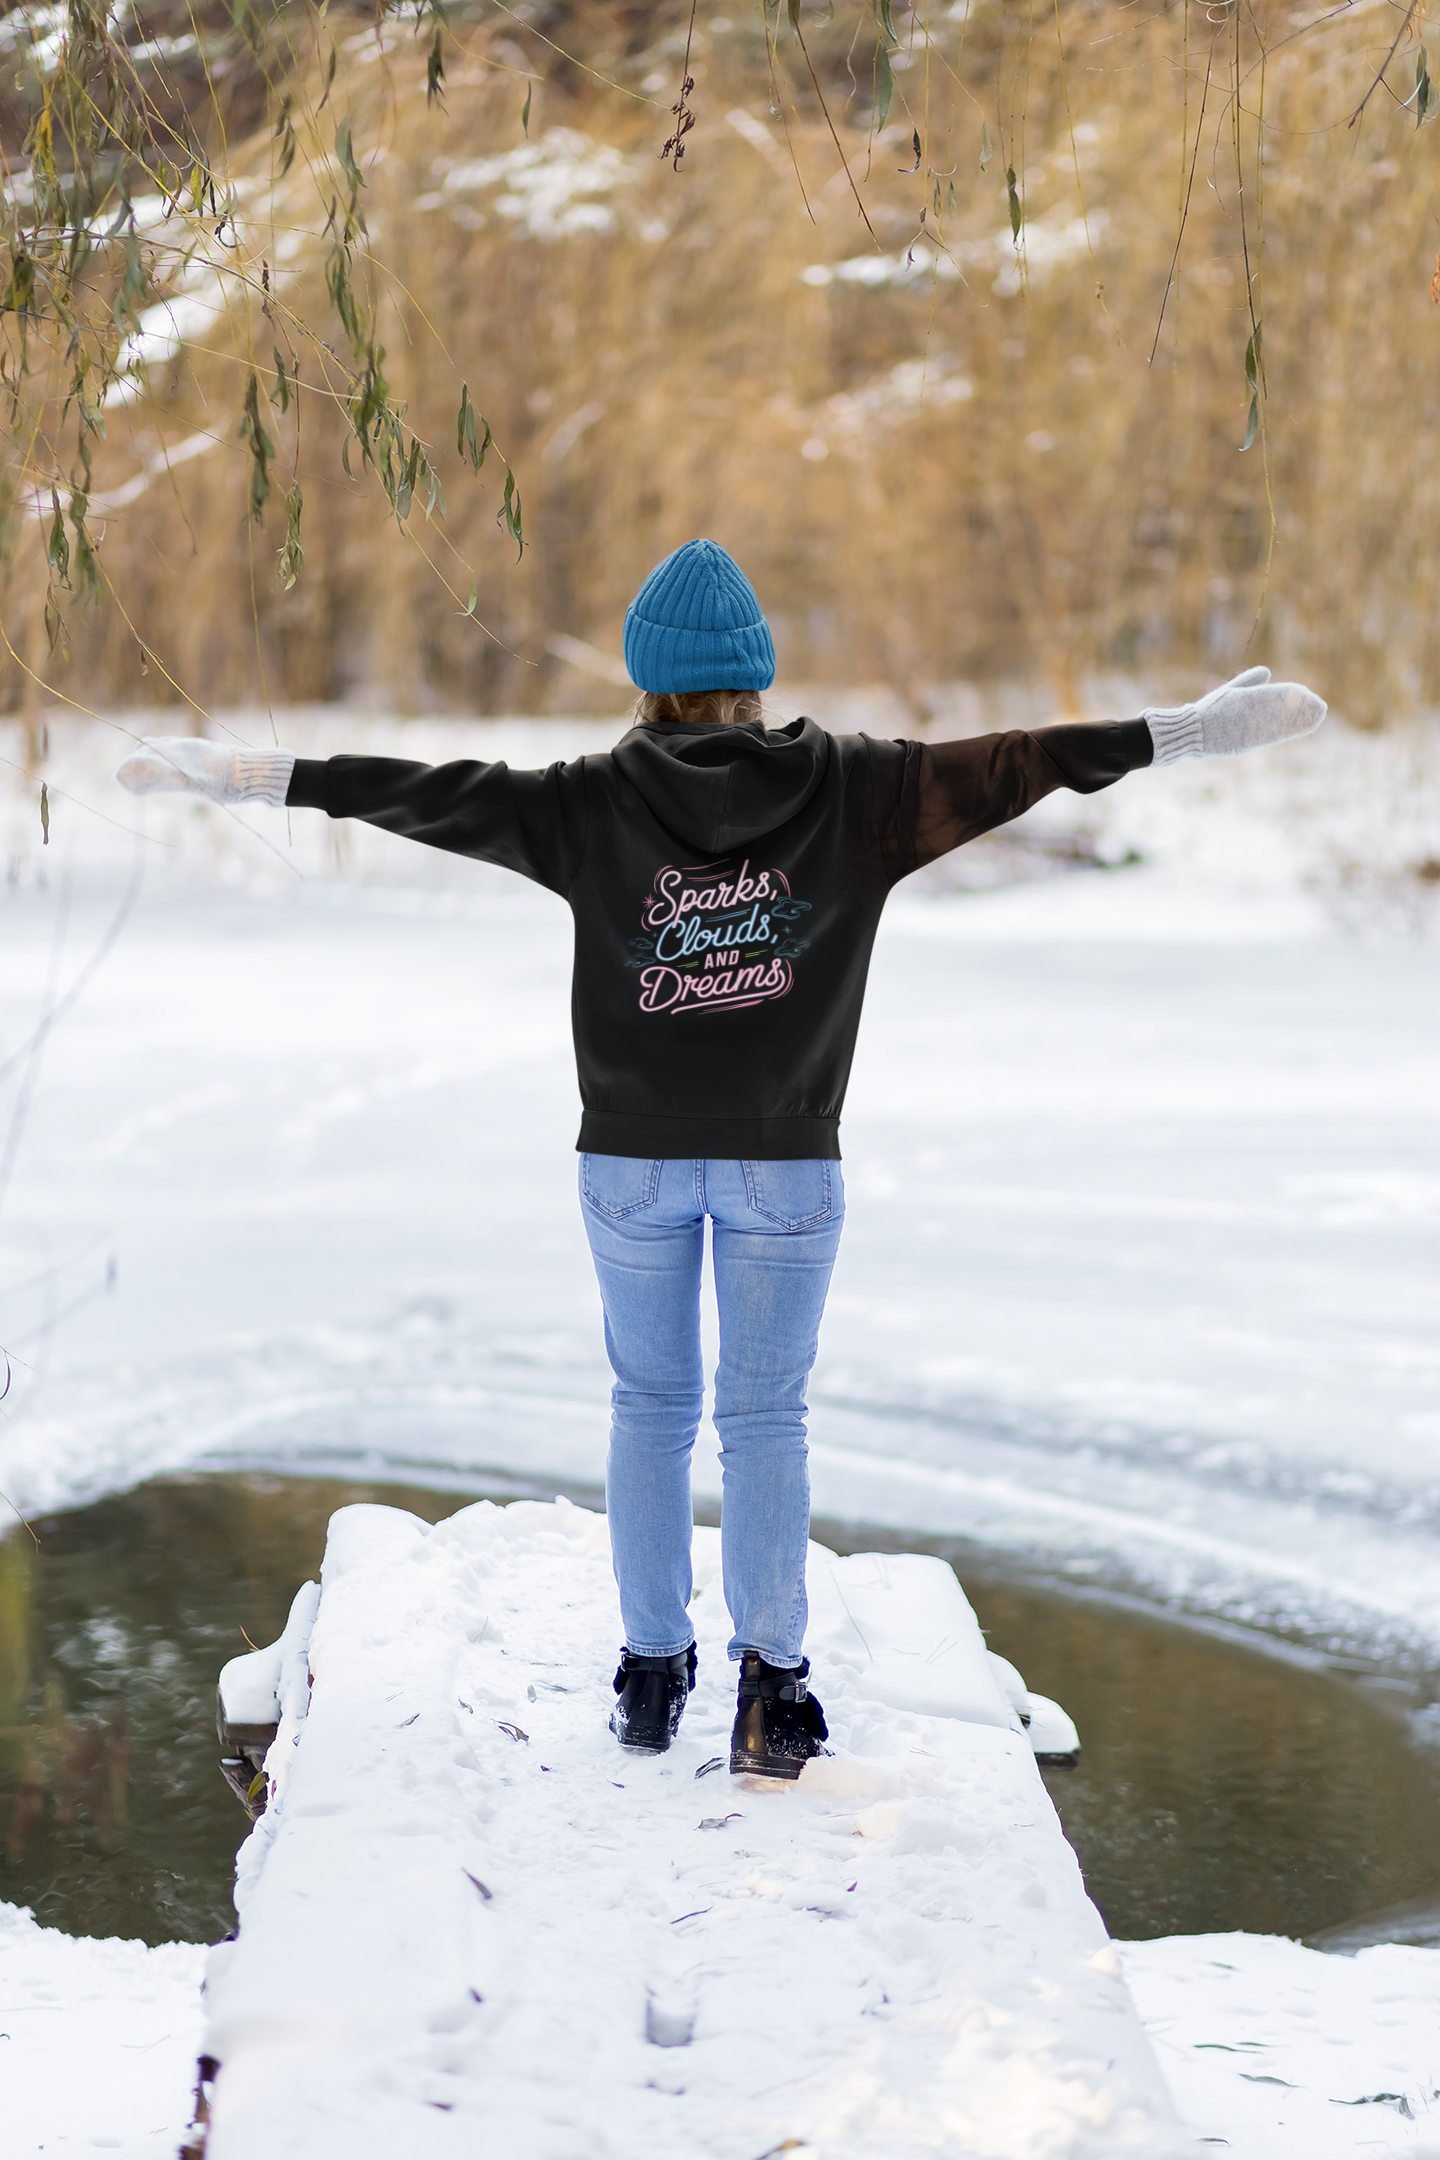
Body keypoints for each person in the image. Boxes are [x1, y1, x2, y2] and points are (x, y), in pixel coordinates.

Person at [117, 538, 1326, 1778]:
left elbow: (425, 789)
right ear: (755, 674)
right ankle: (773, 1689)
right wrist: (1186, 732)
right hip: (787, 1167)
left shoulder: (587, 801)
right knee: (764, 1421)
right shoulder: (866, 790)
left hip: (630, 1164)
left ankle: (650, 1674)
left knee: (649, 1409)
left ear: (647, 681)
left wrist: (255, 775)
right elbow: (1028, 763)